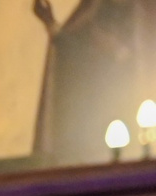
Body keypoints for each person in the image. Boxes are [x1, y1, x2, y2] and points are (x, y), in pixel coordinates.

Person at [26, 0, 156, 170]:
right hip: (96, 124)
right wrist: (51, 24)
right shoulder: (95, 9)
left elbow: (145, 55)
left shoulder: (146, 10)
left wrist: (121, 53)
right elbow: (75, 53)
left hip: (133, 115)